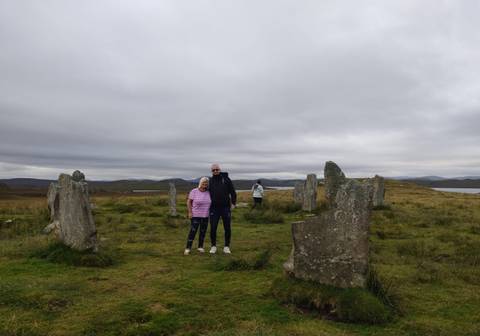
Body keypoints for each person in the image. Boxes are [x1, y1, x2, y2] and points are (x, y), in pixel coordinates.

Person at [208, 163, 236, 254]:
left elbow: (233, 192)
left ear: (220, 170)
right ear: (211, 171)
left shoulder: (226, 179)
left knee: (227, 227)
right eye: (213, 170)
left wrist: (233, 203)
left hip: (225, 207)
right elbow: (206, 193)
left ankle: (226, 246)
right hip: (214, 208)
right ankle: (213, 246)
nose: (215, 171)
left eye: (217, 169)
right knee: (213, 227)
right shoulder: (210, 181)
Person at [184, 177, 211, 255]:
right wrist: (190, 212)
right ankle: (188, 248)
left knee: (203, 232)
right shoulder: (194, 191)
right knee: (193, 232)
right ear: (200, 183)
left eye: (206, 183)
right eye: (203, 183)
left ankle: (200, 247)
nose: (205, 184)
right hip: (195, 215)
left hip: (205, 216)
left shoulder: (209, 192)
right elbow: (189, 202)